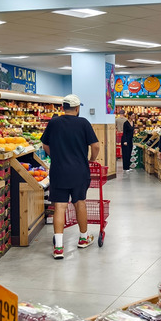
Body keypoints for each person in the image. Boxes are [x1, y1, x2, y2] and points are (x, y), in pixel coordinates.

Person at [41, 94, 101, 260]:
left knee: (59, 206)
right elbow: (95, 145)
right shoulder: (83, 123)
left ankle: (59, 247)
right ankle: (83, 238)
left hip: (58, 170)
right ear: (77, 108)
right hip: (79, 171)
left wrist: (55, 156)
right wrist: (92, 159)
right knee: (79, 203)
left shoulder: (53, 122)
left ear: (62, 108)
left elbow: (45, 144)